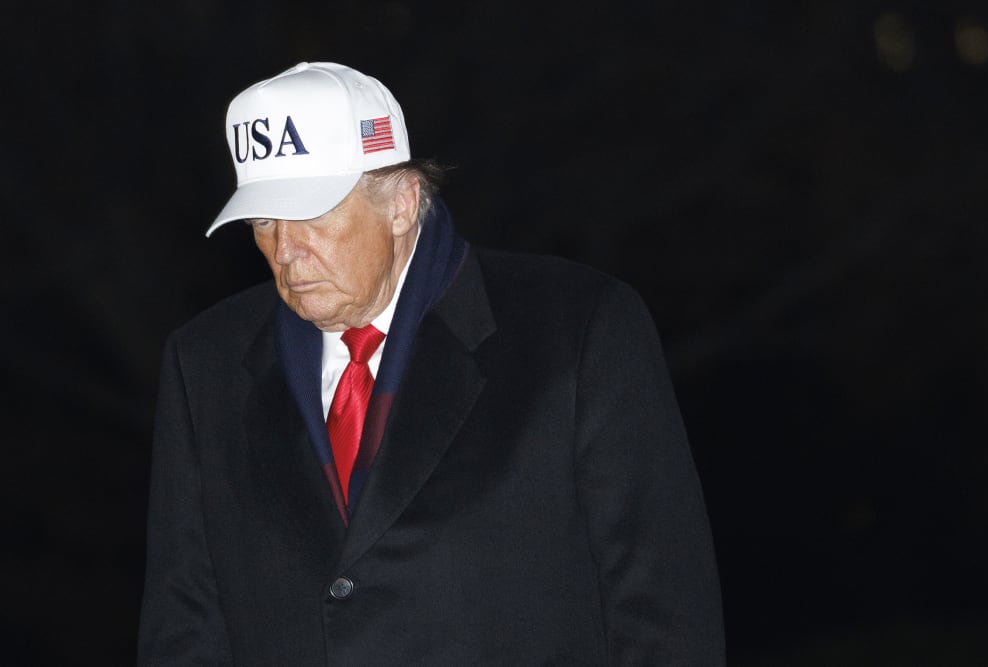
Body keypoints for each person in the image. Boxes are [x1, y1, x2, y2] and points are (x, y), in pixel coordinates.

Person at [138, 61, 725, 666]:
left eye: (311, 212)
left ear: (401, 202)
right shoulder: (203, 363)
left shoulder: (577, 330)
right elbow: (184, 626)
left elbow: (664, 620)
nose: (285, 250)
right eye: (263, 219)